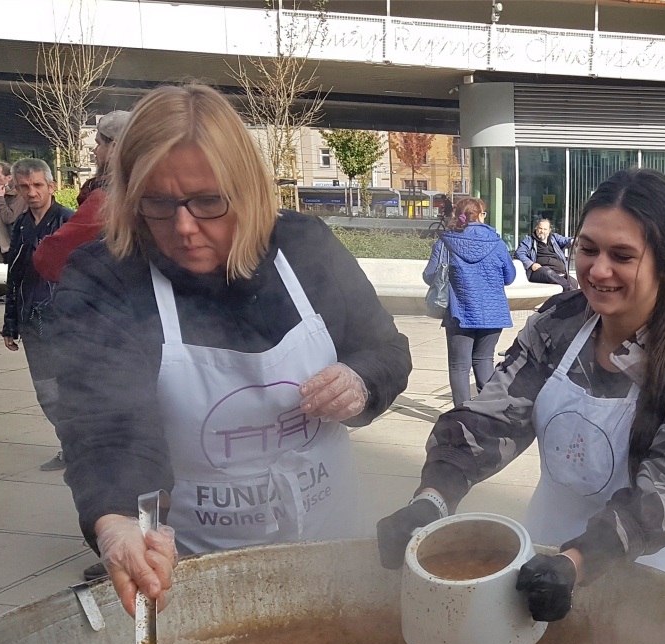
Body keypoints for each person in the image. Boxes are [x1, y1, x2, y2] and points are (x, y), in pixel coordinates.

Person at [53, 83, 412, 616]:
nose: (183, 227)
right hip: (199, 571)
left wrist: (361, 381)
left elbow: (385, 348)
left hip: (335, 544)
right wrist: (117, 519)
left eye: (207, 201)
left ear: (246, 189)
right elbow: (105, 430)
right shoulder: (106, 280)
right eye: (158, 202)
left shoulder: (303, 247)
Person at [377, 168, 665, 622]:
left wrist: (578, 563)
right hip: (545, 548)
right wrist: (431, 498)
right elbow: (491, 420)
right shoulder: (560, 323)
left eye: (622, 256)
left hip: (645, 560)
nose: (598, 270)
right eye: (588, 249)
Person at [0, 158, 73, 472]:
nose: (31, 192)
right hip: (32, 323)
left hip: (65, 324)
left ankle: (82, 449)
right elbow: (14, 276)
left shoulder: (68, 222)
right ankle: (70, 446)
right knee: (47, 392)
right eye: (24, 186)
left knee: (71, 389)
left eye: (38, 185)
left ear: (51, 186)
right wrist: (10, 323)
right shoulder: (21, 225)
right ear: (17, 189)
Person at [423, 196, 516, 407]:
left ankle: (462, 415)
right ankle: (490, 411)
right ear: (481, 215)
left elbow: (429, 276)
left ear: (460, 216)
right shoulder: (497, 243)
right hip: (493, 313)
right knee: (484, 360)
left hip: (459, 314)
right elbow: (509, 277)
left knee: (459, 366)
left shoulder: (446, 242)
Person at [33, 110, 130, 283]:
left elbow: (49, 258)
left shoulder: (106, 201)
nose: (95, 151)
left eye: (99, 144)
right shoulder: (155, 191)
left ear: (114, 148)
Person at [516, 218, 577, 291]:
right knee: (547, 271)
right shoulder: (530, 240)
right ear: (536, 228)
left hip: (559, 273)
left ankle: (571, 298)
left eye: (545, 229)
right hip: (539, 272)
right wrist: (531, 264)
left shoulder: (554, 238)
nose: (542, 231)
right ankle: (568, 288)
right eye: (540, 228)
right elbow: (519, 253)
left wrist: (576, 240)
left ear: (549, 231)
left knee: (574, 282)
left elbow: (566, 240)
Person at [0, 161, 26, 261]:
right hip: (9, 245)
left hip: (17, 246)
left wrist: (0, 197)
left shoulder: (19, 193)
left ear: (9, 177)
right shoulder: (5, 190)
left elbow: (8, 218)